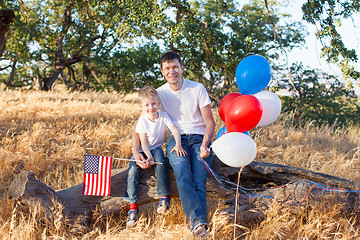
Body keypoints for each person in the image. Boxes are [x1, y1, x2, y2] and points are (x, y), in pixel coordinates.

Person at [132, 52, 215, 238]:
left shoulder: (197, 88)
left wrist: (205, 144)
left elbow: (210, 121)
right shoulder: (159, 93)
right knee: (182, 173)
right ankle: (198, 226)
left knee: (199, 180)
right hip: (177, 141)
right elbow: (139, 125)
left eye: (175, 67)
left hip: (200, 137)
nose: (172, 71)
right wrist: (135, 151)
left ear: (182, 67)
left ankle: (198, 225)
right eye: (167, 68)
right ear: (162, 71)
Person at [125, 86, 186, 227]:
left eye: (153, 104)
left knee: (160, 163)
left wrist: (178, 144)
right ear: (141, 106)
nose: (151, 107)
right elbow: (144, 143)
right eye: (146, 105)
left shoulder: (163, 116)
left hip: (156, 148)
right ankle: (133, 207)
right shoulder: (142, 122)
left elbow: (175, 130)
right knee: (133, 171)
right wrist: (147, 157)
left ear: (158, 103)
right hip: (143, 149)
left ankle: (164, 197)